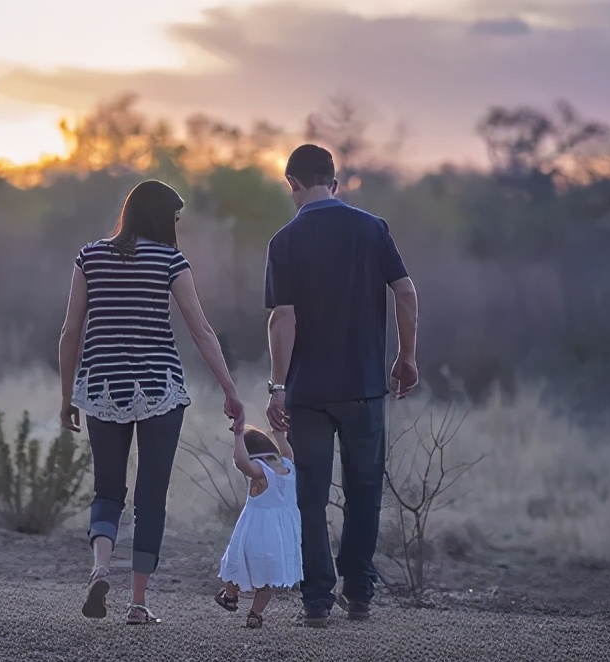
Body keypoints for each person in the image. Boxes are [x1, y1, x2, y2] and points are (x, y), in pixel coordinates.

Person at [59, 179, 244, 625]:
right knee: (151, 497)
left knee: (107, 489)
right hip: (160, 388)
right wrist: (230, 390)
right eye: (174, 217)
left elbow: (70, 332)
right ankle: (138, 603)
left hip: (102, 387)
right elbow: (201, 331)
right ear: (161, 217)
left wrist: (67, 395)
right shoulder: (170, 260)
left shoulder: (90, 257)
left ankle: (101, 569)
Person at [264, 144, 420, 627]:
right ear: (334, 181)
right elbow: (406, 292)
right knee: (365, 490)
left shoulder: (285, 240)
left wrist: (277, 386)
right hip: (365, 386)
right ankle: (359, 592)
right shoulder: (372, 229)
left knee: (310, 495)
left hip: (308, 392)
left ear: (292, 183)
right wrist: (406, 356)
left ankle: (316, 600)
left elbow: (282, 318)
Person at [215, 425, 302, 629]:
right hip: (283, 534)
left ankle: (230, 595)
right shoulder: (288, 466)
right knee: (270, 576)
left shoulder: (260, 473)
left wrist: (238, 435)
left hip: (256, 530)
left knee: (238, 562)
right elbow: (288, 450)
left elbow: (241, 462)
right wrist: (278, 431)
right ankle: (255, 613)